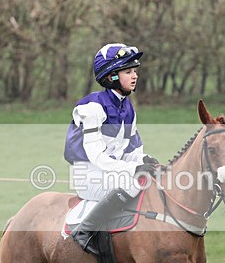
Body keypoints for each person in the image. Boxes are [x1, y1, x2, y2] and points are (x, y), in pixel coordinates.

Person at [64, 43, 159, 250]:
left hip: (110, 172)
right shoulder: (92, 108)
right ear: (111, 76)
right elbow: (97, 157)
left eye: (135, 71)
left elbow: (133, 151)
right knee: (134, 183)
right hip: (88, 175)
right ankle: (85, 230)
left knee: (152, 179)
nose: (134, 76)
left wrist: (145, 161)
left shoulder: (128, 108)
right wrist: (133, 169)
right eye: (128, 72)